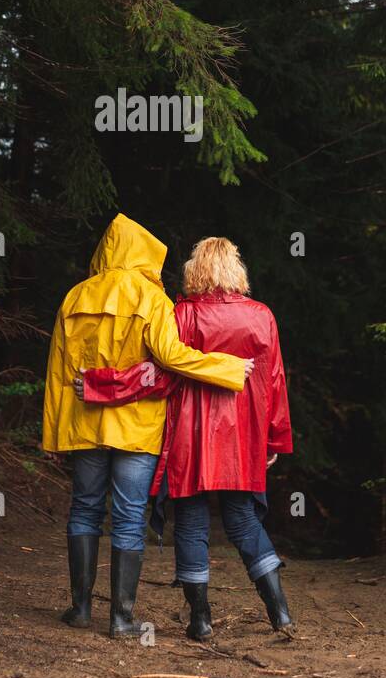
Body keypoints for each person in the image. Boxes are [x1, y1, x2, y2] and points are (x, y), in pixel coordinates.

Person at [42, 214, 252, 638]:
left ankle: (80, 609)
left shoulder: (75, 297)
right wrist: (228, 367)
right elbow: (172, 358)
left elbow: (58, 372)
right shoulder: (152, 299)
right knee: (129, 516)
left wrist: (52, 433)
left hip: (84, 427)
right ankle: (121, 618)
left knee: (84, 509)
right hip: (137, 429)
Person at [79, 236, 293, 639]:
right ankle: (280, 613)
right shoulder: (262, 316)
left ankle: (201, 619)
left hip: (190, 435)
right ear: (236, 268)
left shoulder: (182, 315)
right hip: (242, 437)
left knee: (191, 525)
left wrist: (100, 385)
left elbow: (158, 374)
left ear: (196, 269)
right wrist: (273, 439)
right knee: (244, 521)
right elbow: (274, 380)